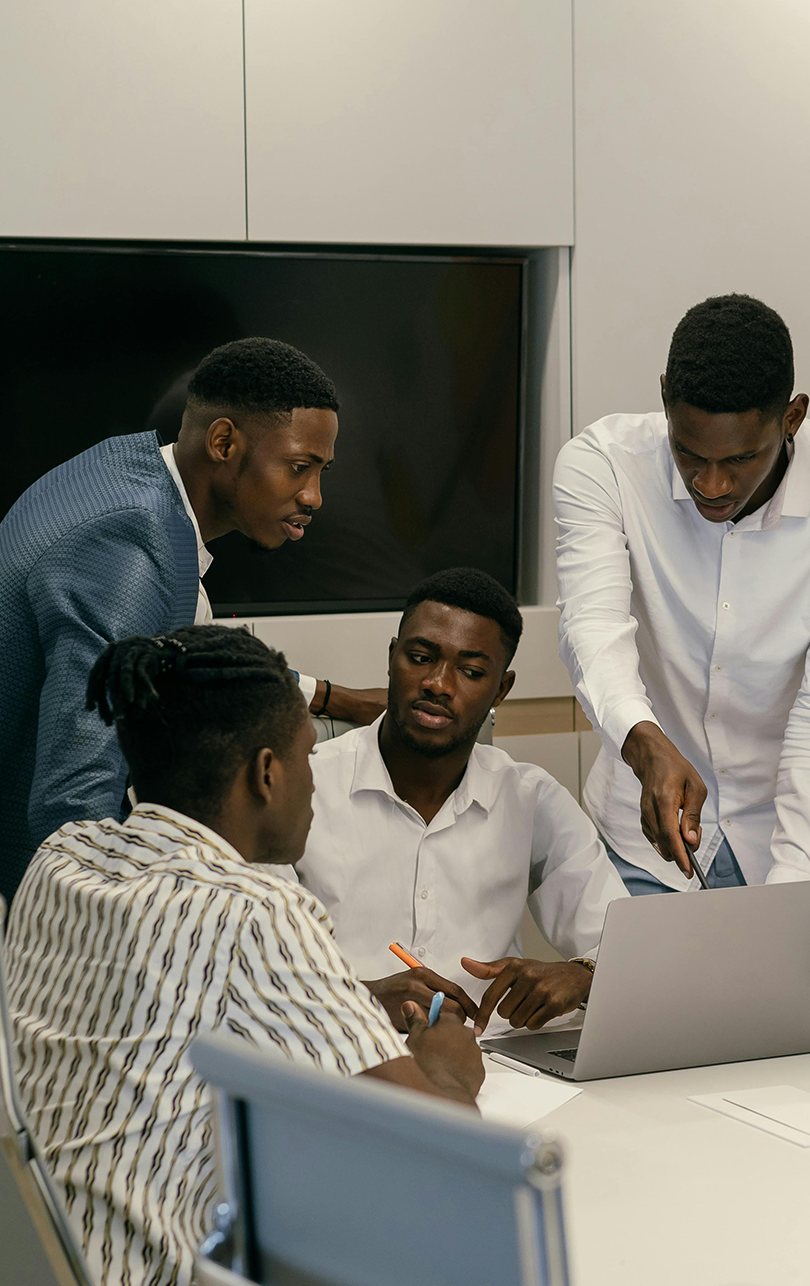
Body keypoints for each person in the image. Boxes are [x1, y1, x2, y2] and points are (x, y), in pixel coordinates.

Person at [2, 625, 484, 1286]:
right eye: (308, 757)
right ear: (265, 773)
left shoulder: (63, 857)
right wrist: (450, 1068)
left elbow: (161, 1007)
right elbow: (451, 1158)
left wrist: (353, 1000)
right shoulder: (257, 910)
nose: (314, 785)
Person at [0, 337, 385, 903]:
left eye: (321, 471)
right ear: (224, 442)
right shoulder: (128, 553)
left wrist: (331, 696)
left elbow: (183, 658)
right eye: (299, 468)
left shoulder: (133, 476)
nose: (314, 496)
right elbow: (74, 806)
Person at [554, 294, 810, 893]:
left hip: (805, 840)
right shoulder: (603, 465)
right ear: (665, 397)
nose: (712, 483)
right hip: (643, 846)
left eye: (742, 458)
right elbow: (592, 629)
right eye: (688, 453)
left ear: (792, 418)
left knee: (795, 958)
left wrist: (790, 889)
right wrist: (643, 742)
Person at [295, 568, 629, 1036]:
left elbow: (623, 943)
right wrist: (362, 999)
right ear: (392, 657)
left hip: (494, 1064)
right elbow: (244, 975)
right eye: (420, 658)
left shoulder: (529, 797)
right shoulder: (300, 788)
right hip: (338, 1055)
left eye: (471, 672)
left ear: (501, 690)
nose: (438, 683)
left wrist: (584, 974)